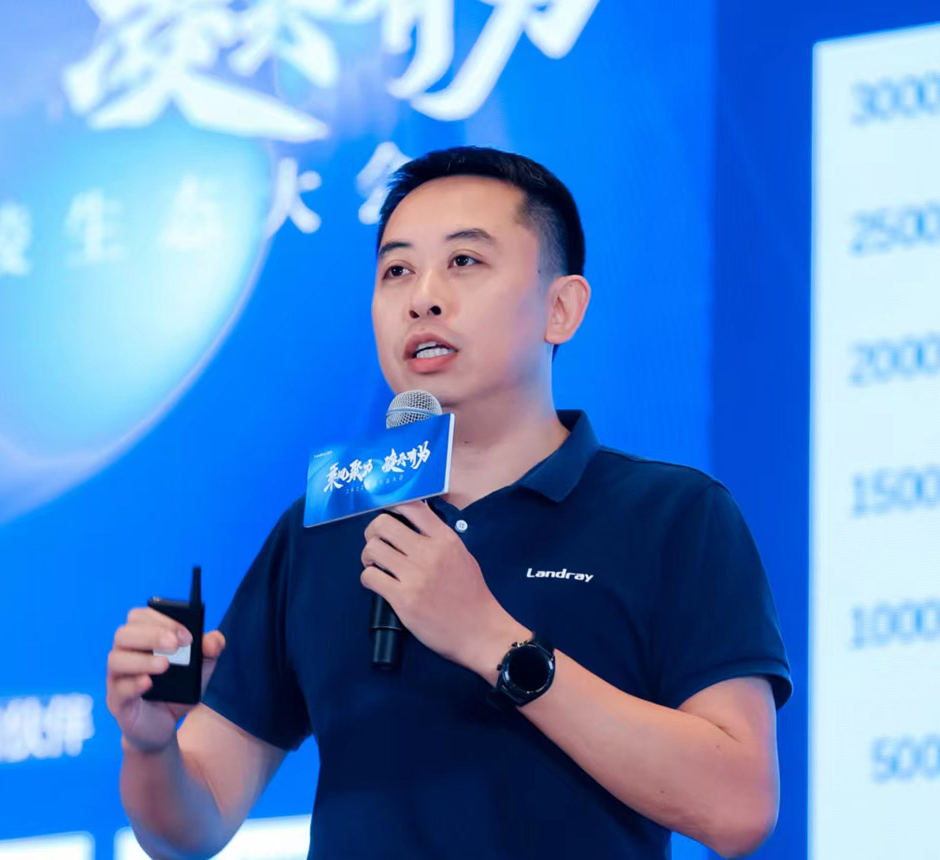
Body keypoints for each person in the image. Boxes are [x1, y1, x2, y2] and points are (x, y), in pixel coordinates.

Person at [105, 146, 791, 859]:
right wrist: (149, 745)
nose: (422, 298)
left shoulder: (671, 514)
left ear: (561, 308)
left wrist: (490, 639)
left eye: (464, 261)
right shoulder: (329, 521)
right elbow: (192, 825)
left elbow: (738, 807)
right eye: (397, 271)